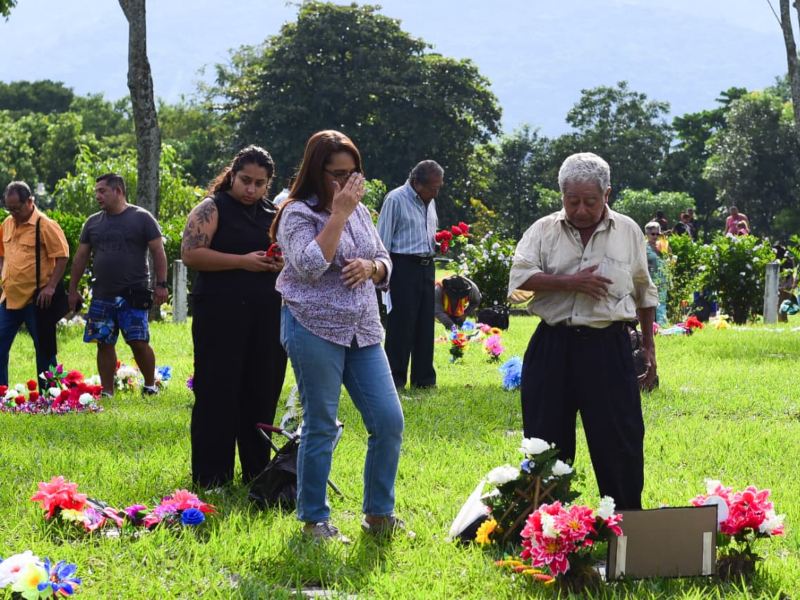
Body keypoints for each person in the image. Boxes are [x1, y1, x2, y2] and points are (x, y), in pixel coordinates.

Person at [272, 130, 408, 542]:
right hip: (313, 326)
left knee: (388, 420)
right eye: (336, 175)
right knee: (321, 423)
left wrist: (372, 268)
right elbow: (310, 265)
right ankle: (314, 520)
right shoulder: (296, 213)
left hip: (363, 330)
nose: (345, 183)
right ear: (317, 172)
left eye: (352, 174)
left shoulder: (362, 212)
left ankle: (378, 514)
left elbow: (385, 259)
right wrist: (337, 216)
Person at [507, 152, 658, 511]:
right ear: (561, 196)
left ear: (608, 194)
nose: (580, 210)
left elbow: (644, 290)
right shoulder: (543, 230)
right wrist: (572, 282)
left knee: (619, 439)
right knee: (546, 440)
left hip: (608, 346)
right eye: (571, 201)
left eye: (590, 201)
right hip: (552, 344)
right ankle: (548, 525)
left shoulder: (628, 231)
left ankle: (624, 522)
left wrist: (650, 348)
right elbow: (518, 282)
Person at [181, 145, 288, 490]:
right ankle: (212, 476)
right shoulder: (211, 208)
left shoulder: (274, 214)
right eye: (245, 180)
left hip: (267, 315)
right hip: (220, 314)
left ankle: (257, 472)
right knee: (217, 391)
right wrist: (243, 261)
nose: (251, 189)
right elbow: (192, 254)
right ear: (233, 174)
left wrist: (278, 263)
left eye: (259, 183)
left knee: (262, 390)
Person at [68, 173, 168, 396]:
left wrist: (161, 284)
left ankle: (150, 386)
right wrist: (72, 290)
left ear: (119, 191)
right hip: (102, 294)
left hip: (134, 293)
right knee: (103, 342)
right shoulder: (92, 223)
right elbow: (80, 257)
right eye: (96, 192)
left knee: (138, 341)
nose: (97, 196)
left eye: (102, 191)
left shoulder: (142, 218)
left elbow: (158, 252)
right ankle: (107, 392)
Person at [377, 160, 444, 389]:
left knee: (426, 322)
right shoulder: (395, 199)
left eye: (438, 187)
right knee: (401, 324)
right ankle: (394, 378)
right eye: (433, 187)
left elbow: (426, 233)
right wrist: (382, 275)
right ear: (417, 183)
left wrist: (437, 244)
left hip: (427, 266)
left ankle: (424, 379)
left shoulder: (430, 201)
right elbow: (382, 239)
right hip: (402, 266)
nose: (436, 192)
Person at [0, 181, 69, 386]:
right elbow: (2, 254)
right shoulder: (7, 224)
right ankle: (2, 395)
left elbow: (62, 256)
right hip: (9, 298)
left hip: (37, 299)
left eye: (17, 208)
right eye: (9, 208)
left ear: (30, 201)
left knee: (44, 349)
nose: (13, 213)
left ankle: (50, 396)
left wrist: (51, 287)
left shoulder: (45, 224)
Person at [644, 222, 670, 326]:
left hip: (662, 279)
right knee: (649, 303)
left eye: (657, 234)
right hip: (650, 279)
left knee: (662, 303)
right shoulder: (643, 246)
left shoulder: (662, 244)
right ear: (647, 234)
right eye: (652, 234)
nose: (655, 236)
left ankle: (662, 325)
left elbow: (669, 256)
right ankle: (649, 325)